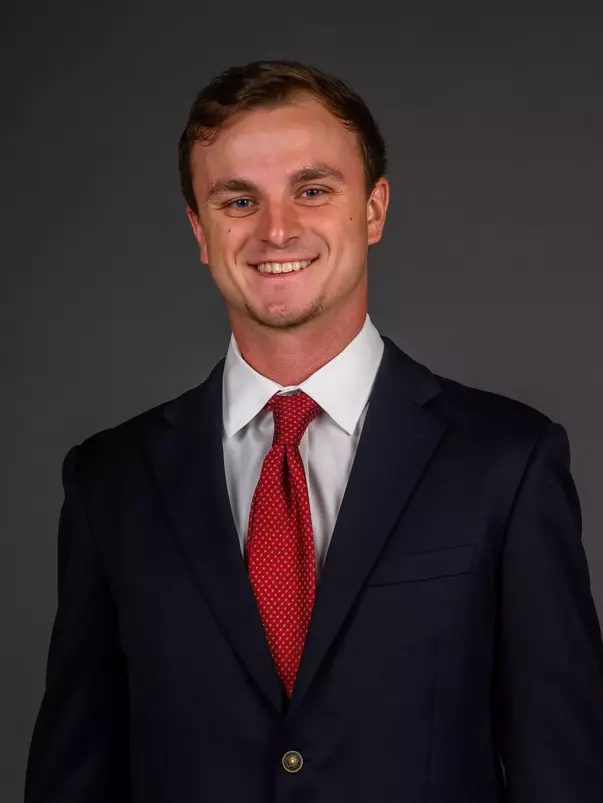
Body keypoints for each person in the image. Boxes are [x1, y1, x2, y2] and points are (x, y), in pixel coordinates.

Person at [24, 60, 603, 803]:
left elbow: (564, 772)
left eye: (312, 190)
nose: (276, 230)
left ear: (373, 210)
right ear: (200, 230)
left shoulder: (507, 461)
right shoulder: (110, 481)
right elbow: (74, 775)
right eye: (239, 200)